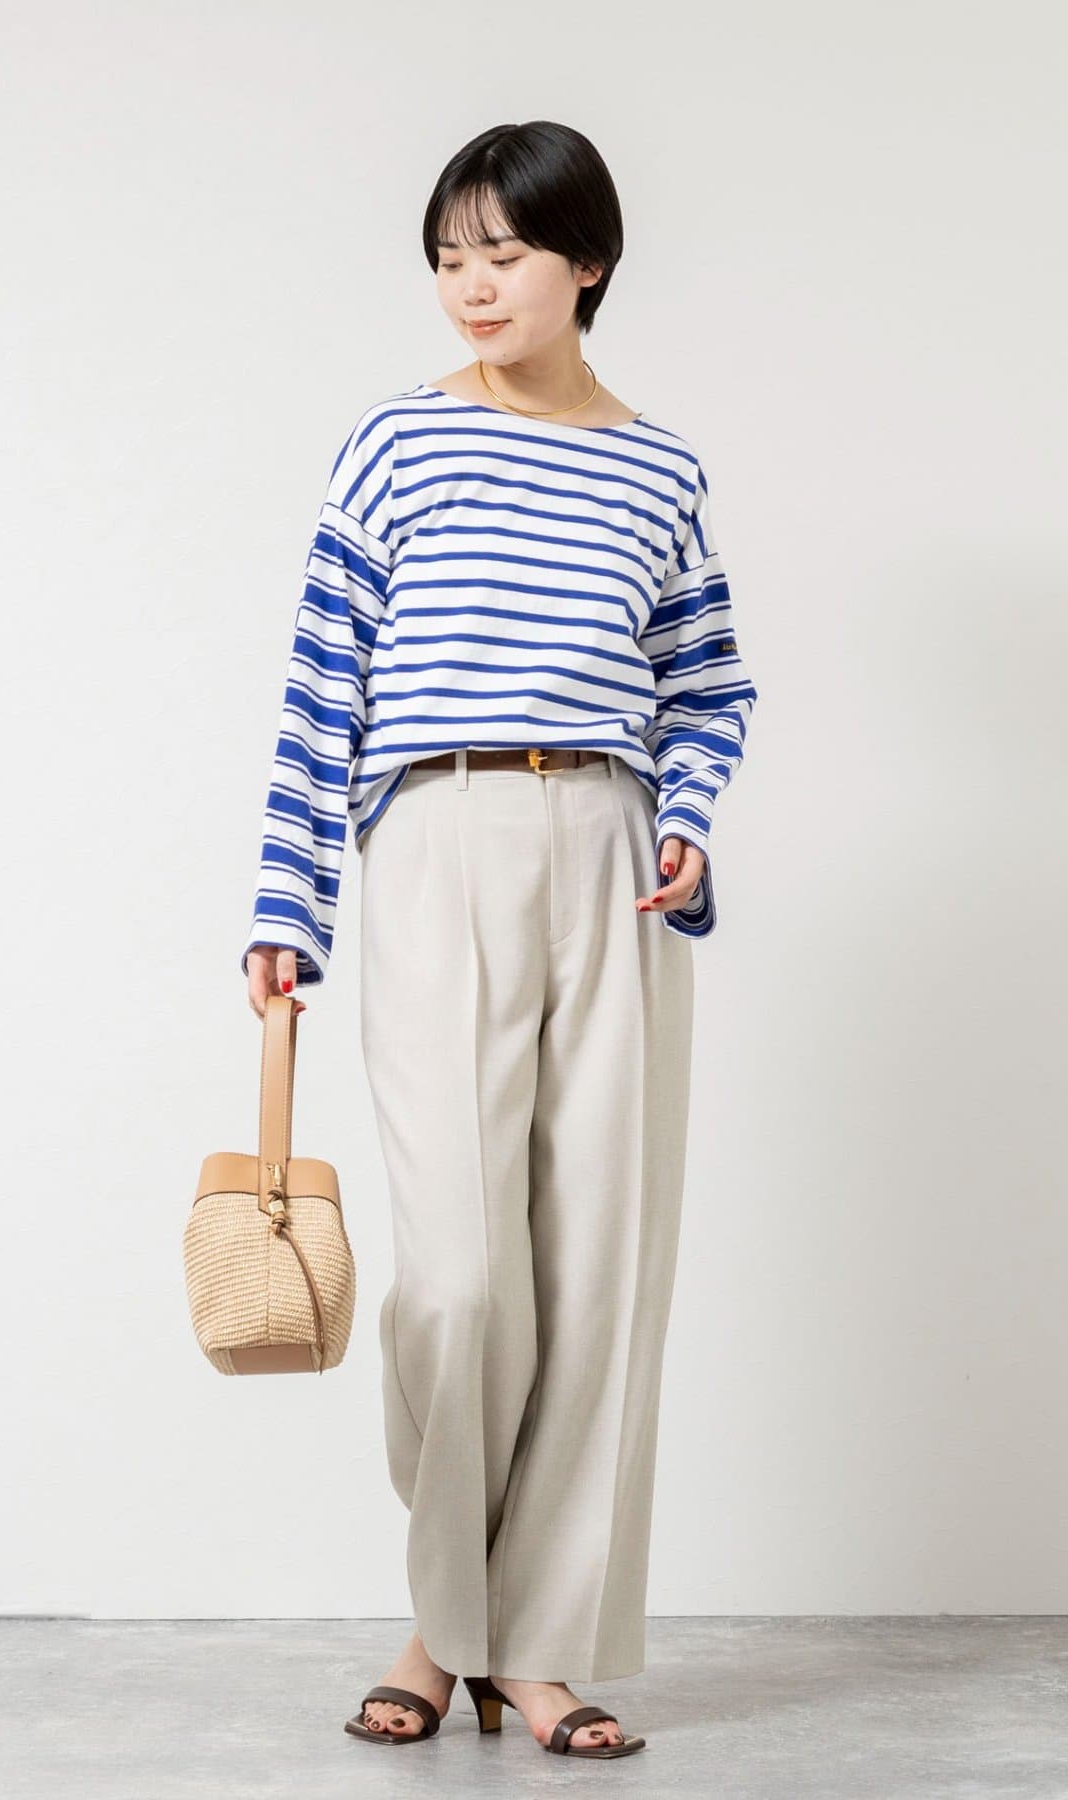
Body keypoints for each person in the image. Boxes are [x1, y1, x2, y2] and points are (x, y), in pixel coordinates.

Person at [241, 119, 758, 1760]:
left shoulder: (660, 470)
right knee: (463, 1281)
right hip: (436, 833)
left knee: (599, 1271)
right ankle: (445, 1619)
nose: (472, 285)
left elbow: (708, 682)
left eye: (505, 253)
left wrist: (686, 819)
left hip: (612, 848)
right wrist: (287, 904)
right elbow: (323, 679)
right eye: (449, 256)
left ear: (587, 262)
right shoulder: (398, 441)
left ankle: (531, 1651)